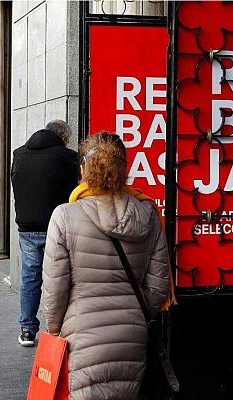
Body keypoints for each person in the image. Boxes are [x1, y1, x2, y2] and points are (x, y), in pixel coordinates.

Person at [42, 132, 170, 399]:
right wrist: (132, 310)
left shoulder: (65, 216)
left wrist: (54, 328)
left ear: (83, 169)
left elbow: (55, 288)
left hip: (82, 333)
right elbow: (158, 288)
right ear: (124, 169)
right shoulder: (147, 214)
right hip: (132, 333)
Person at [11, 120, 79, 346]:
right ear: (64, 138)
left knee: (30, 279)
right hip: (57, 227)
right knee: (61, 279)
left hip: (28, 228)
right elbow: (73, 192)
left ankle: (27, 330)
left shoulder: (19, 154)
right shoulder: (67, 157)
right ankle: (60, 330)